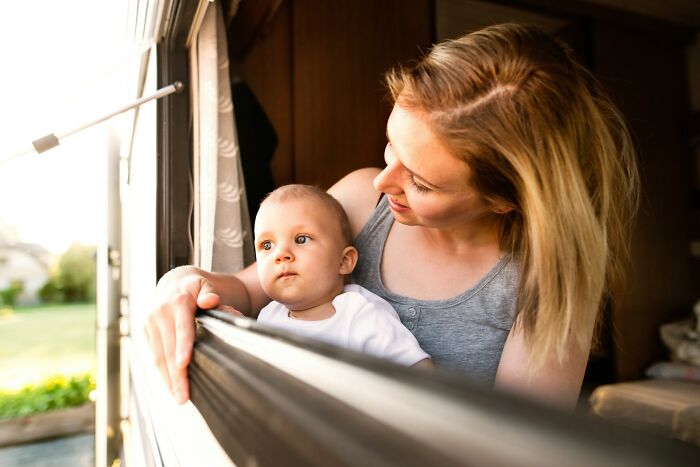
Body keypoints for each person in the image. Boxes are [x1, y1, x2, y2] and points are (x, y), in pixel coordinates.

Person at [146, 23, 639, 410]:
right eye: (390, 146)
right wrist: (183, 283)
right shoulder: (362, 200)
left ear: (503, 199)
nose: (383, 183)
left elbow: (513, 449)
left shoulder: (546, 283)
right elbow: (252, 289)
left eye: (420, 183)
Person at [238, 183, 431, 366]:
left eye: (301, 239)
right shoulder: (268, 316)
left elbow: (418, 371)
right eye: (267, 245)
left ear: (344, 261)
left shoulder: (360, 313)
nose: (281, 254)